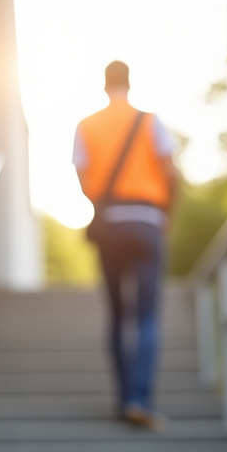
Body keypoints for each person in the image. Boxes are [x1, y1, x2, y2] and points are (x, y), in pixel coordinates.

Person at [73, 60, 179, 430]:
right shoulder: (151, 122)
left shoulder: (87, 125)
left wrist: (101, 202)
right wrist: (167, 215)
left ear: (105, 85)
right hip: (148, 221)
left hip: (110, 224)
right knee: (146, 315)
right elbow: (171, 173)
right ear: (129, 84)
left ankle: (123, 399)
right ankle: (140, 399)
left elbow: (82, 175)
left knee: (118, 315)